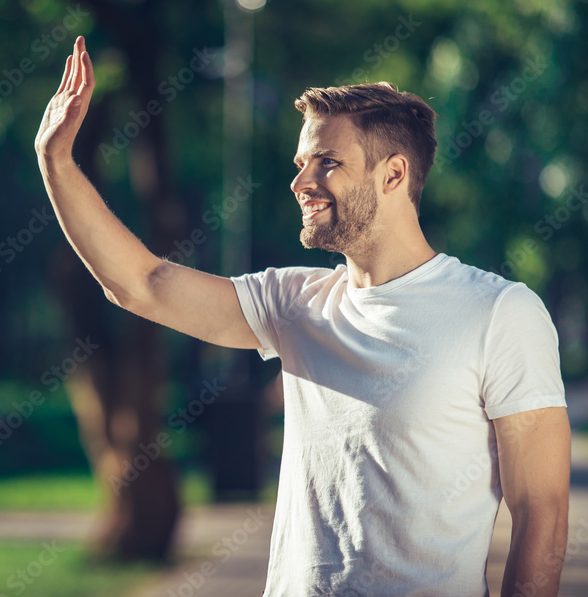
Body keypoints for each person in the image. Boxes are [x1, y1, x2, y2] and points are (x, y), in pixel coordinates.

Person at [34, 36, 570, 596]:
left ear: (393, 175)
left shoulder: (498, 312)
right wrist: (57, 162)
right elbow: (142, 284)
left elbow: (542, 512)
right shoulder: (294, 303)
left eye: (327, 162)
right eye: (301, 163)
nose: (300, 182)